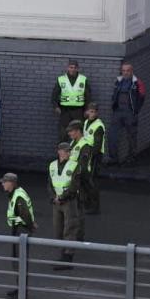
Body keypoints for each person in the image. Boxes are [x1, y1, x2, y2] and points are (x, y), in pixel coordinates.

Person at [0, 172, 37, 299]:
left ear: (11, 183)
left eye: (5, 182)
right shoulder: (15, 194)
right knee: (17, 261)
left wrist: (30, 226)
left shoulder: (18, 196)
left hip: (21, 231)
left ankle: (22, 292)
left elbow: (25, 215)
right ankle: (20, 289)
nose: (3, 184)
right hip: (19, 229)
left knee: (19, 261)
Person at [48, 142, 82, 270]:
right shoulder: (52, 165)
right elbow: (50, 184)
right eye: (66, 151)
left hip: (69, 201)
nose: (68, 153)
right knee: (58, 228)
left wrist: (61, 197)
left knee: (70, 228)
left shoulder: (74, 165)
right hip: (56, 202)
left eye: (69, 151)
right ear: (59, 152)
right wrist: (53, 197)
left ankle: (68, 257)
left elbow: (74, 186)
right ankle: (62, 255)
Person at [108, 62, 146, 166]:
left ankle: (131, 158)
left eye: (127, 70)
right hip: (118, 112)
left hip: (130, 112)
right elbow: (114, 94)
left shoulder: (137, 83)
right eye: (123, 70)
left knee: (131, 136)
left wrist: (135, 110)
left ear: (131, 71)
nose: (125, 73)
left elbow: (142, 97)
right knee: (112, 135)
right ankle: (113, 159)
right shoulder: (118, 81)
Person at [51, 59, 91, 142]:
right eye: (71, 67)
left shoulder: (83, 79)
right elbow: (54, 95)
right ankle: (62, 155)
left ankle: (79, 154)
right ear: (67, 68)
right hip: (65, 111)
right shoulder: (61, 79)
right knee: (63, 135)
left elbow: (88, 97)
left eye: (74, 67)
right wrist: (56, 107)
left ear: (78, 69)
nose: (72, 69)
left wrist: (87, 110)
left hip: (78, 111)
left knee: (79, 135)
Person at [66, 120, 91, 241]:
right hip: (73, 181)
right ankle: (75, 234)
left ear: (78, 131)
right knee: (73, 210)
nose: (69, 134)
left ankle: (79, 236)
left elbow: (82, 167)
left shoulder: (84, 145)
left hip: (79, 182)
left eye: (71, 131)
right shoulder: (73, 142)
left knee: (79, 210)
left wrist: (76, 182)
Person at [83, 103, 105, 214]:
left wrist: (90, 155)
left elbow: (97, 144)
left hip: (95, 156)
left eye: (93, 112)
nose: (91, 114)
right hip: (87, 154)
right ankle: (87, 204)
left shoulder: (98, 126)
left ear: (97, 112)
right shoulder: (86, 122)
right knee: (86, 180)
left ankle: (95, 207)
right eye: (89, 111)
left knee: (92, 181)